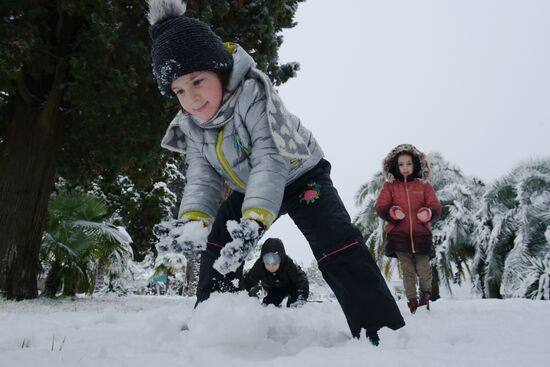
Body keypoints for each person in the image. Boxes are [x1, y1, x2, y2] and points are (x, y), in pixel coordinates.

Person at [147, 0, 405, 345]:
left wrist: (254, 221)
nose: (191, 98)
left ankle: (380, 328)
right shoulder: (192, 124)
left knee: (336, 245)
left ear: (220, 70)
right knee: (219, 242)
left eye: (197, 81)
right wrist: (193, 219)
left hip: (301, 175)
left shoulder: (254, 93)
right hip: (250, 185)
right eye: (179, 90)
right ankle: (212, 322)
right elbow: (202, 175)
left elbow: (271, 158)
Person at [375, 144, 442, 314]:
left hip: (421, 236)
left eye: (409, 163)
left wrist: (428, 213)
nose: (405, 168)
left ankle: (425, 296)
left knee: (424, 268)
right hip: (399, 237)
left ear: (417, 165)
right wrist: (392, 212)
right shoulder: (390, 187)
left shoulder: (424, 186)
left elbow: (435, 206)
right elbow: (381, 206)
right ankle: (412, 301)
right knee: (408, 271)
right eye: (401, 164)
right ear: (394, 167)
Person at [242, 238, 309, 307]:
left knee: (294, 304)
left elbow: (301, 279)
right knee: (269, 305)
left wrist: (302, 297)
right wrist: (239, 293)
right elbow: (249, 279)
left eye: (275, 263)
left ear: (281, 259)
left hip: (291, 286)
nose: (271, 266)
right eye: (267, 263)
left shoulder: (288, 264)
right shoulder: (260, 265)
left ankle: (295, 305)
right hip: (274, 288)